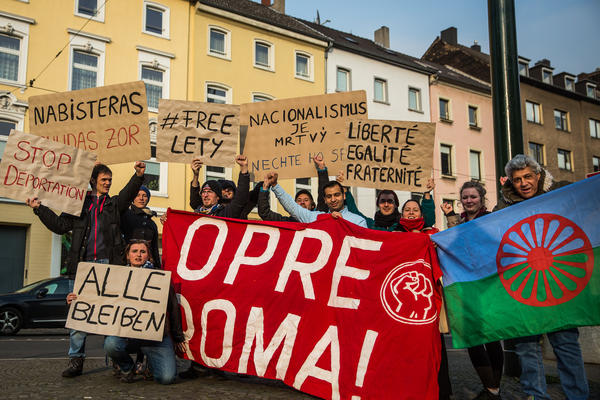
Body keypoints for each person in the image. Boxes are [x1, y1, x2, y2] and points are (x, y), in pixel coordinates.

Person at [26, 161, 145, 378]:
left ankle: (117, 360)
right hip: (82, 269)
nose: (108, 183)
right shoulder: (77, 205)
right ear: (93, 181)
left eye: (110, 180)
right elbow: (59, 226)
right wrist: (39, 209)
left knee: (112, 317)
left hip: (109, 268)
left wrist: (137, 175)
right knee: (78, 317)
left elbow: (128, 194)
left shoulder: (114, 205)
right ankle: (76, 361)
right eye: (104, 180)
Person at [493, 154, 588, 400]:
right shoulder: (503, 207)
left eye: (527, 176)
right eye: (517, 179)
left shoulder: (561, 191)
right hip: (524, 286)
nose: (523, 183)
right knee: (526, 348)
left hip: (558, 284)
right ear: (511, 183)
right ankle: (535, 396)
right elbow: (487, 232)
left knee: (566, 345)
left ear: (538, 175)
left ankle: (578, 396)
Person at [66, 240, 186, 384]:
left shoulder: (160, 277)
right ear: (128, 256)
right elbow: (100, 300)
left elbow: (172, 307)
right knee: (111, 344)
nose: (139, 255)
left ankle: (150, 364)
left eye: (143, 251)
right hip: (127, 335)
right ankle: (127, 367)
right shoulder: (115, 276)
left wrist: (178, 337)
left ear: (149, 256)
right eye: (134, 251)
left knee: (166, 378)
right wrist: (77, 299)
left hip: (155, 336)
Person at [441, 181, 503, 400]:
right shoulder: (459, 221)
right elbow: (452, 243)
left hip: (489, 286)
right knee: (471, 338)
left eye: (472, 197)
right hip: (466, 288)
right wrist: (450, 218)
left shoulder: (491, 219)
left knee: (493, 338)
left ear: (482, 198)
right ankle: (491, 388)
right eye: (465, 197)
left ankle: (493, 390)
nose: (468, 201)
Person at [265, 171, 367, 227]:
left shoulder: (358, 221)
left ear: (344, 196)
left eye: (337, 195)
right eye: (329, 196)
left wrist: (343, 224)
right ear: (325, 200)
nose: (333, 199)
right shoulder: (314, 217)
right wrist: (275, 185)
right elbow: (292, 207)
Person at [341, 173, 436, 231]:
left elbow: (428, 220)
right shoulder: (370, 225)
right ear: (378, 204)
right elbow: (354, 213)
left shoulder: (405, 225)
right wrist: (344, 188)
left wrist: (427, 193)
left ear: (396, 205)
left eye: (390, 201)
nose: (386, 204)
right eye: (383, 201)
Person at [120, 186, 161, 268]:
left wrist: (157, 266)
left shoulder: (152, 223)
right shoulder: (125, 215)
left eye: (144, 196)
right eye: (137, 195)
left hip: (147, 265)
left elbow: (154, 248)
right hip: (127, 264)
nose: (141, 198)